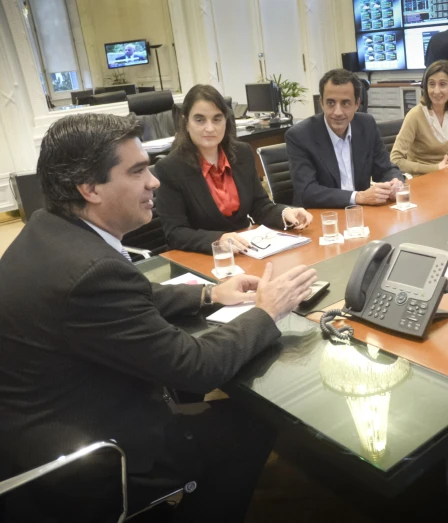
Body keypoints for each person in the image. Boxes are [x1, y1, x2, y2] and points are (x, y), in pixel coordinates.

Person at [0, 113, 318, 522]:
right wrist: (268, 312)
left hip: (33, 429)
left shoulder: (49, 229)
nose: (154, 182)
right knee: (249, 427)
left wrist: (208, 293)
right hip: (85, 462)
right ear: (89, 188)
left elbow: (130, 295)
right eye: (138, 171)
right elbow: (196, 367)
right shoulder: (91, 272)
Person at [155, 84, 312, 254]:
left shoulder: (242, 153)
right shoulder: (170, 168)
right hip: (200, 258)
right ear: (185, 122)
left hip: (245, 251)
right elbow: (176, 233)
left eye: (217, 119)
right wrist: (218, 240)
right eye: (199, 120)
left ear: (226, 121)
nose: (210, 128)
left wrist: (285, 213)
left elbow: (259, 205)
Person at [286, 69, 405, 209]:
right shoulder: (300, 136)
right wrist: (358, 197)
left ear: (356, 104)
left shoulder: (366, 125)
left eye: (345, 103)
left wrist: (394, 182)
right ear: (321, 103)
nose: (337, 112)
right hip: (322, 217)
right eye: (330, 103)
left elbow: (385, 169)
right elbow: (306, 191)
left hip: (361, 214)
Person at [390, 60, 448, 175]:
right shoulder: (415, 115)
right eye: (431, 84)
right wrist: (435, 168)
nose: (436, 91)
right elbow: (395, 159)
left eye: (442, 84)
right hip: (421, 179)